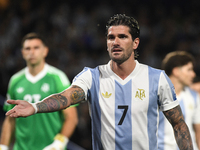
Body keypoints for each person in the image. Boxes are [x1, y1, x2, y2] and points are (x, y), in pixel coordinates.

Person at [5, 14, 193, 150]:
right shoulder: (92, 76)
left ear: (135, 43)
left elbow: (178, 124)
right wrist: (36, 107)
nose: (115, 42)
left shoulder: (157, 78)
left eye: (122, 37)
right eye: (111, 37)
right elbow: (67, 96)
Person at [0, 33, 78, 150]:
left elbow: (71, 117)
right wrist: (3, 147)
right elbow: (10, 119)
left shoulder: (57, 78)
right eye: (28, 48)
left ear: (45, 51)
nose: (32, 52)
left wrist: (58, 144)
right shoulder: (15, 81)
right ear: (22, 53)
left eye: (36, 48)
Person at [158, 51, 200, 150]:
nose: (193, 74)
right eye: (189, 70)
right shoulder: (156, 96)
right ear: (176, 71)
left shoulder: (194, 97)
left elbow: (198, 132)